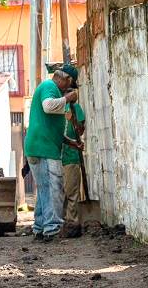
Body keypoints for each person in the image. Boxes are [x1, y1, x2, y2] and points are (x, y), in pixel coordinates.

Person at [23, 64, 80, 242]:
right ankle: (52, 228)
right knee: (55, 187)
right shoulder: (50, 87)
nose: (68, 91)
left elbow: (50, 127)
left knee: (44, 188)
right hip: (44, 149)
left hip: (38, 146)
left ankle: (40, 227)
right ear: (66, 79)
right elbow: (48, 106)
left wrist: (70, 142)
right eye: (69, 86)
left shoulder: (50, 89)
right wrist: (68, 97)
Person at [62, 102, 85, 238]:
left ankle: (72, 224)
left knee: (72, 192)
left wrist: (73, 120)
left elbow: (81, 131)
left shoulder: (75, 108)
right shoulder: (55, 105)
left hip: (71, 156)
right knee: (59, 193)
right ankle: (61, 223)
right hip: (56, 155)